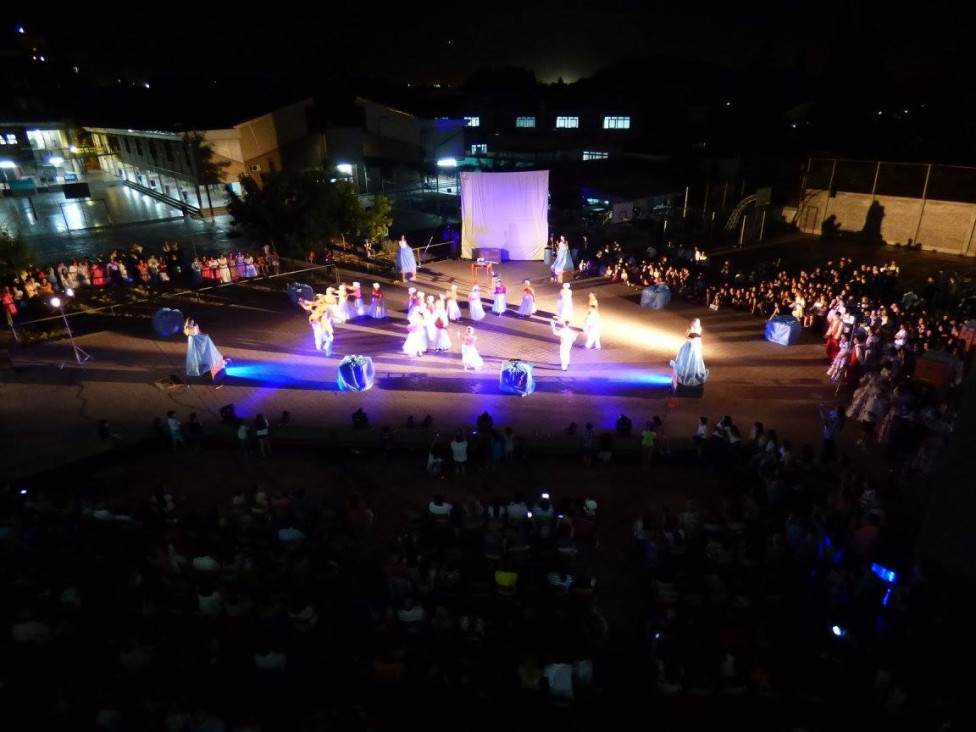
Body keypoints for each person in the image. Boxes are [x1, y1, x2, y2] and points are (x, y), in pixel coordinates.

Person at [670, 317, 708, 388]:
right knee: (686, 359)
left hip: (695, 346)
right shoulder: (689, 329)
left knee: (695, 360)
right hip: (688, 346)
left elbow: (699, 338)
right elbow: (686, 337)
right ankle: (685, 372)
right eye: (694, 323)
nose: (695, 324)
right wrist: (690, 338)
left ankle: (692, 372)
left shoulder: (699, 329)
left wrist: (696, 339)